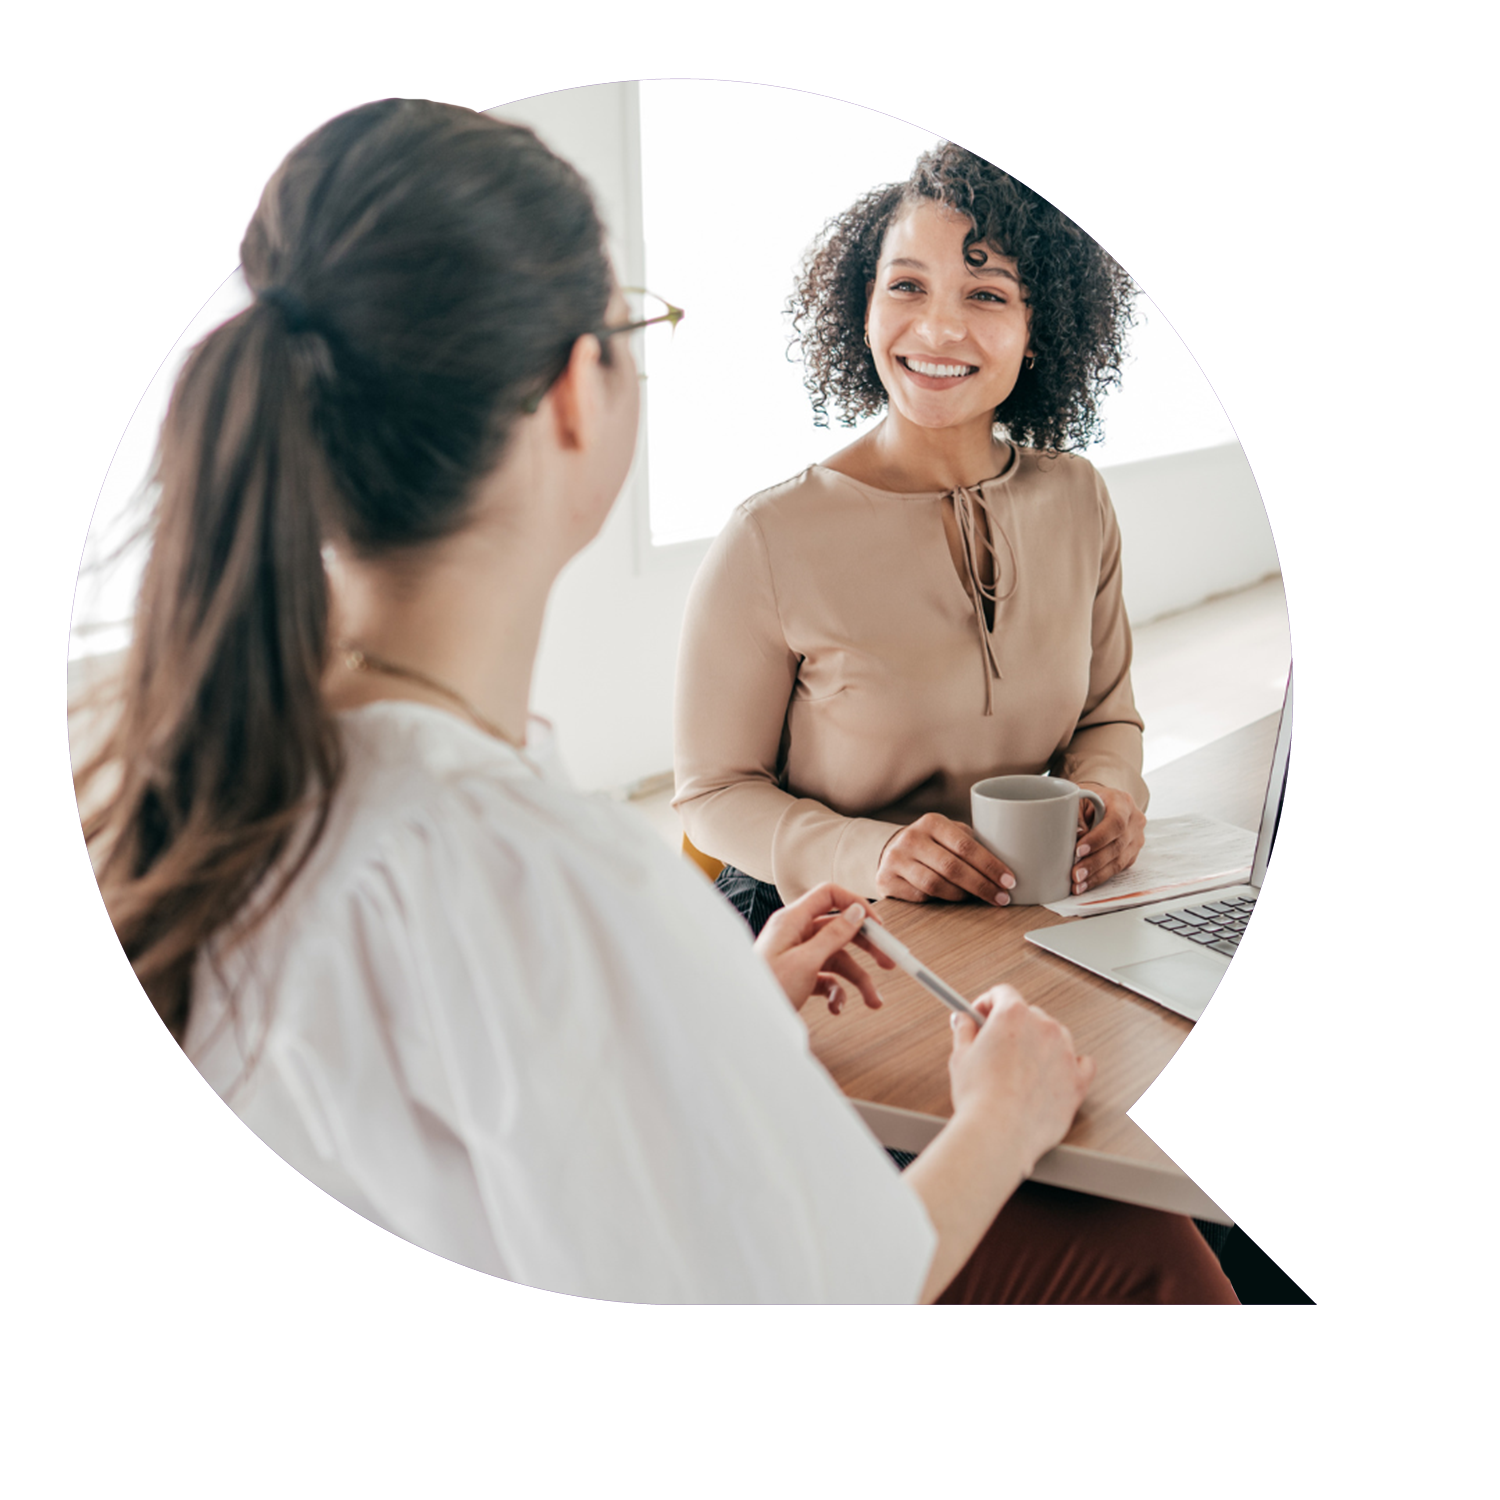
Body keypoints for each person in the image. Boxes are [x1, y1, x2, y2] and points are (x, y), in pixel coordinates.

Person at [79, 98, 1233, 1303]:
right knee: (1160, 1259)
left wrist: (724, 1003)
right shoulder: (570, 877)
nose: (941, 323)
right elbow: (817, 1298)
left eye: (988, 294)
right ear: (581, 391)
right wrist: (1008, 1113)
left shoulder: (195, 794)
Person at [674, 144, 1150, 933]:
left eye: (987, 294)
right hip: (815, 923)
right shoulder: (769, 536)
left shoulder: (1077, 499)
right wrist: (874, 853)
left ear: (1039, 329)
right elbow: (712, 796)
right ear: (865, 309)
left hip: (1014, 909)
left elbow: (1106, 717)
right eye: (906, 286)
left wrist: (1110, 797)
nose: (938, 327)